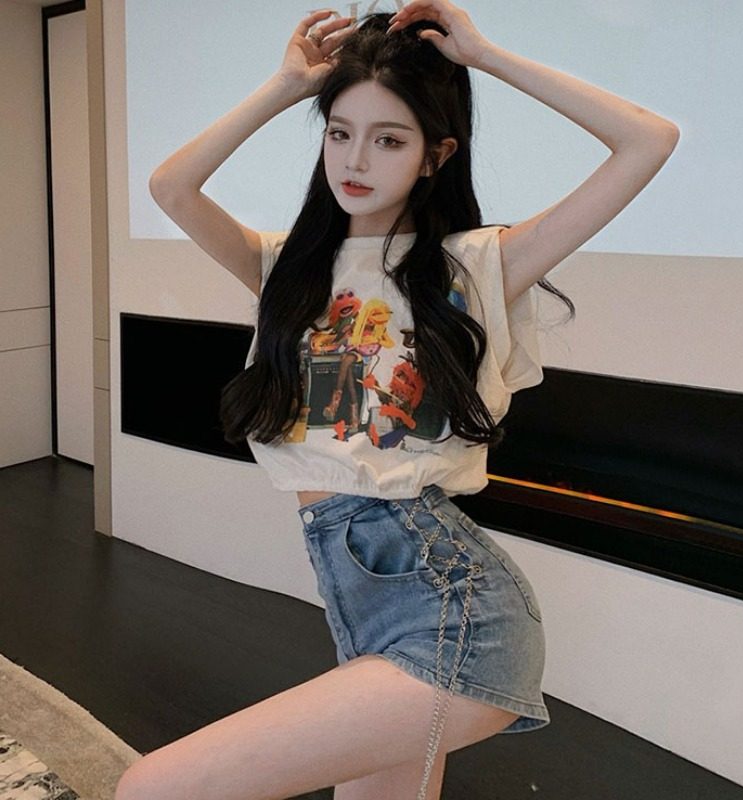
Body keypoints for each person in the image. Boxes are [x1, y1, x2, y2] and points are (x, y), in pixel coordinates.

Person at [121, 2, 679, 798]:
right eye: (339, 132)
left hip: (452, 607)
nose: (356, 159)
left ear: (434, 155)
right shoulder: (289, 270)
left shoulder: (474, 267)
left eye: (389, 140)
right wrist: (286, 87)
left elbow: (648, 140)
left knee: (154, 788)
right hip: (364, 601)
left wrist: (487, 57)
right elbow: (170, 187)